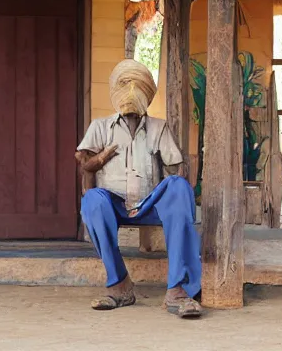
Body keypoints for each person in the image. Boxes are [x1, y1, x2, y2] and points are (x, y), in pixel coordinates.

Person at [75, 59, 202, 318]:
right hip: (114, 204)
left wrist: (177, 191)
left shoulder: (158, 127)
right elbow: (84, 163)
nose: (131, 92)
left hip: (149, 204)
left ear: (147, 93)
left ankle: (178, 290)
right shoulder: (100, 127)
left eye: (137, 86)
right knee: (92, 201)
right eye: (125, 85)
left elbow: (176, 168)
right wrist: (98, 161)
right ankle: (120, 285)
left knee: (179, 187)